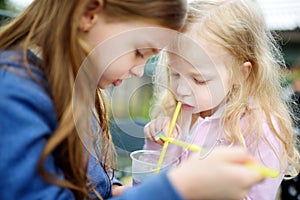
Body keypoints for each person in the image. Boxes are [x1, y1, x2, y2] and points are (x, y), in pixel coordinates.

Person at [0, 0, 264, 199]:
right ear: (90, 13)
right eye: (139, 51)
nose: (139, 71)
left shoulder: (72, 93)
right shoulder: (12, 97)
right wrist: (179, 187)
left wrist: (120, 192)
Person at [144, 0, 300, 199]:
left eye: (198, 80)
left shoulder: (262, 129)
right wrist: (157, 146)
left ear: (241, 73)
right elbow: (147, 189)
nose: (181, 90)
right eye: (174, 74)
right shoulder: (177, 112)